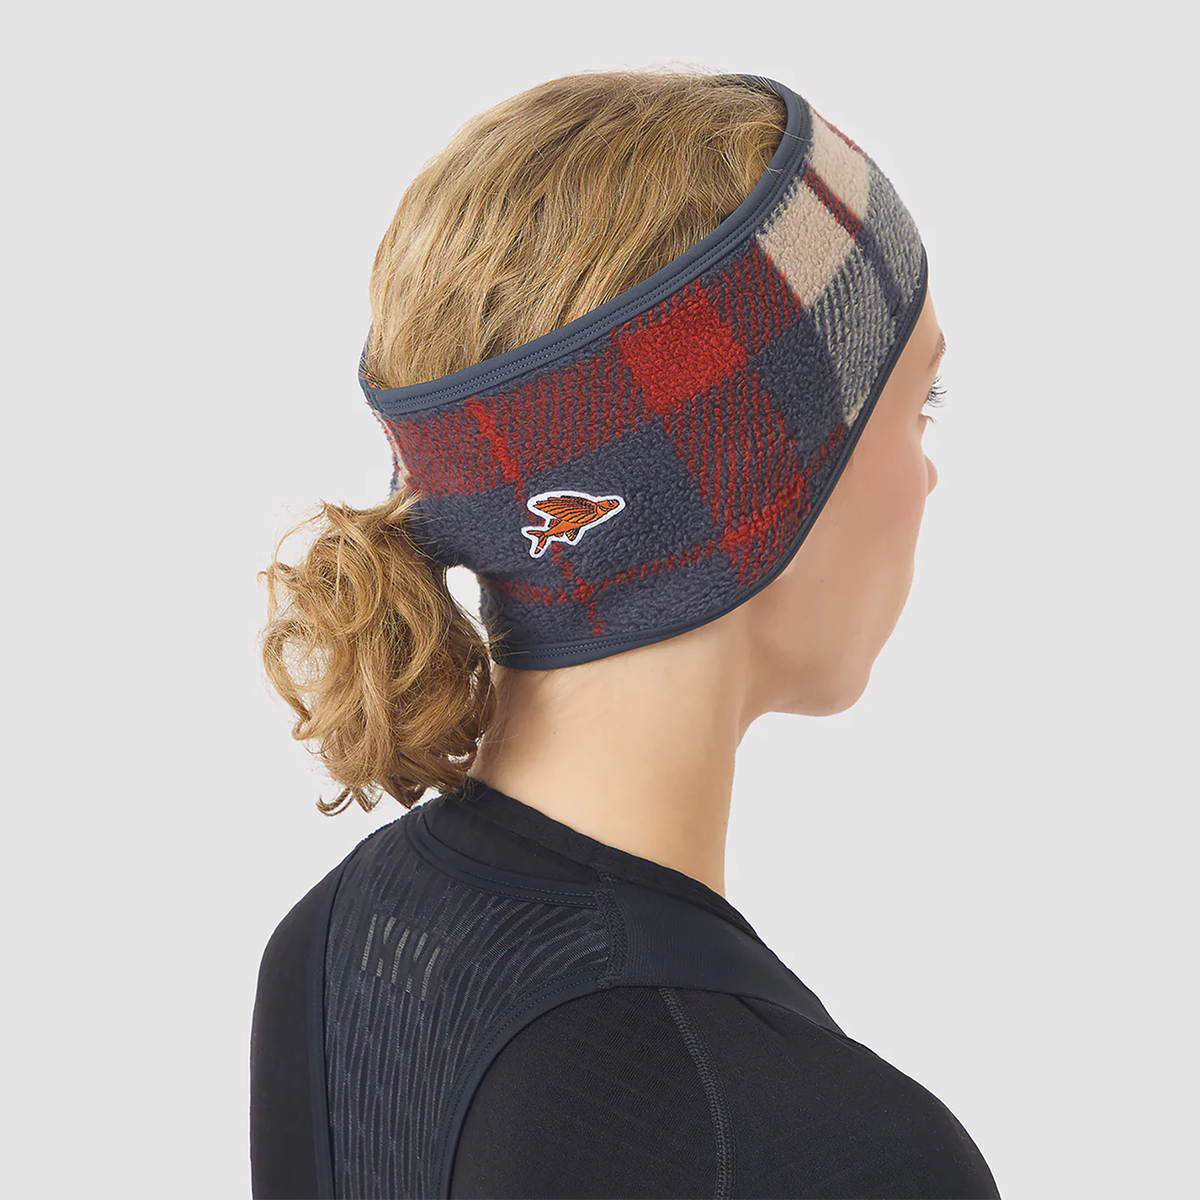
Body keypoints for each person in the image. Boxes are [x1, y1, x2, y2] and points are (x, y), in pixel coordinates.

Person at [250, 68, 1001, 1200]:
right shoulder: (830, 1147)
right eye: (917, 407)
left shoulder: (338, 945)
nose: (930, 477)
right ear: (764, 486)